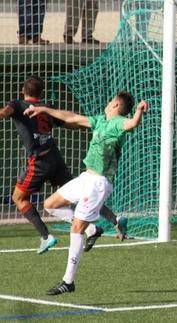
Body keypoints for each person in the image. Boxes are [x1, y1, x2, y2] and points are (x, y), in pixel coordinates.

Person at [23, 91, 148, 295]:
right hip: (85, 178)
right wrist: (43, 109)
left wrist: (139, 110)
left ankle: (68, 281)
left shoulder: (119, 123)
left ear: (116, 104)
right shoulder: (100, 120)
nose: (107, 103)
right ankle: (93, 230)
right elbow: (72, 117)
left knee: (75, 229)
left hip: (98, 183)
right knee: (50, 205)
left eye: (109, 101)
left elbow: (133, 124)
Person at [0, 76, 127, 255]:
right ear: (41, 93)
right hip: (55, 158)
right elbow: (69, 123)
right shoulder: (48, 108)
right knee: (80, 193)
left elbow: (5, 112)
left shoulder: (18, 104)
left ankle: (46, 236)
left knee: (18, 198)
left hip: (39, 162)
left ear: (23, 91)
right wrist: (92, 128)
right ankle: (113, 220)